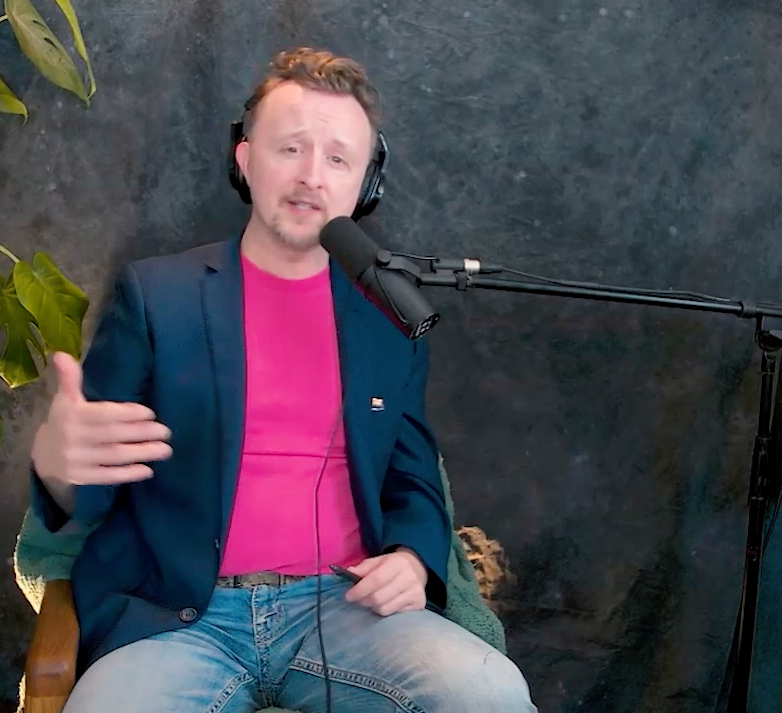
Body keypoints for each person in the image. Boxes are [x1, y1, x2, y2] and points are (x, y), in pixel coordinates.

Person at [28, 46, 538, 712]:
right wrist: (57, 464)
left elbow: (412, 477)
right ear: (244, 158)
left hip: (343, 608)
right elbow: (85, 484)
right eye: (289, 148)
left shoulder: (389, 314)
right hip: (178, 617)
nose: (311, 177)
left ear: (365, 183)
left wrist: (413, 558)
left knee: (491, 694)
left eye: (337, 159)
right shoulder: (159, 295)